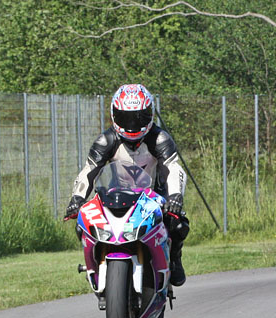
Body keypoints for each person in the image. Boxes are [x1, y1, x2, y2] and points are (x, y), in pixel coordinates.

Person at [65, 83, 189, 286]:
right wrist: (77, 198)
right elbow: (90, 170)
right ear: (114, 115)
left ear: (150, 114)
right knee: (83, 225)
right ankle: (95, 266)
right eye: (126, 117)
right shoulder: (106, 140)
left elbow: (173, 168)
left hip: (153, 195)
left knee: (179, 225)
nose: (132, 124)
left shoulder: (160, 139)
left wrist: (175, 196)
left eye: (139, 117)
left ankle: (175, 259)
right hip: (114, 195)